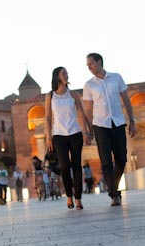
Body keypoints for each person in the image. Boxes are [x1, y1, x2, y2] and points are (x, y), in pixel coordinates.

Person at [82, 53, 136, 207]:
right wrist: (88, 130)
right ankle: (114, 194)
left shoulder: (116, 78)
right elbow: (87, 109)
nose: (89, 68)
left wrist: (132, 121)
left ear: (99, 62)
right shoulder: (89, 85)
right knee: (105, 160)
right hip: (100, 125)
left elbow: (126, 100)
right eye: (87, 65)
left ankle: (113, 185)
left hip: (118, 122)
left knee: (122, 159)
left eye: (91, 64)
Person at [45, 66, 90, 210]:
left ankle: (78, 199)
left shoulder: (73, 94)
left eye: (67, 73)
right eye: (64, 73)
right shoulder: (50, 96)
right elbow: (47, 118)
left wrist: (85, 132)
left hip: (75, 133)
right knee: (64, 166)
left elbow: (81, 113)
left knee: (76, 166)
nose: (67, 75)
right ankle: (68, 196)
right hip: (58, 135)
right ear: (57, 76)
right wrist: (48, 137)